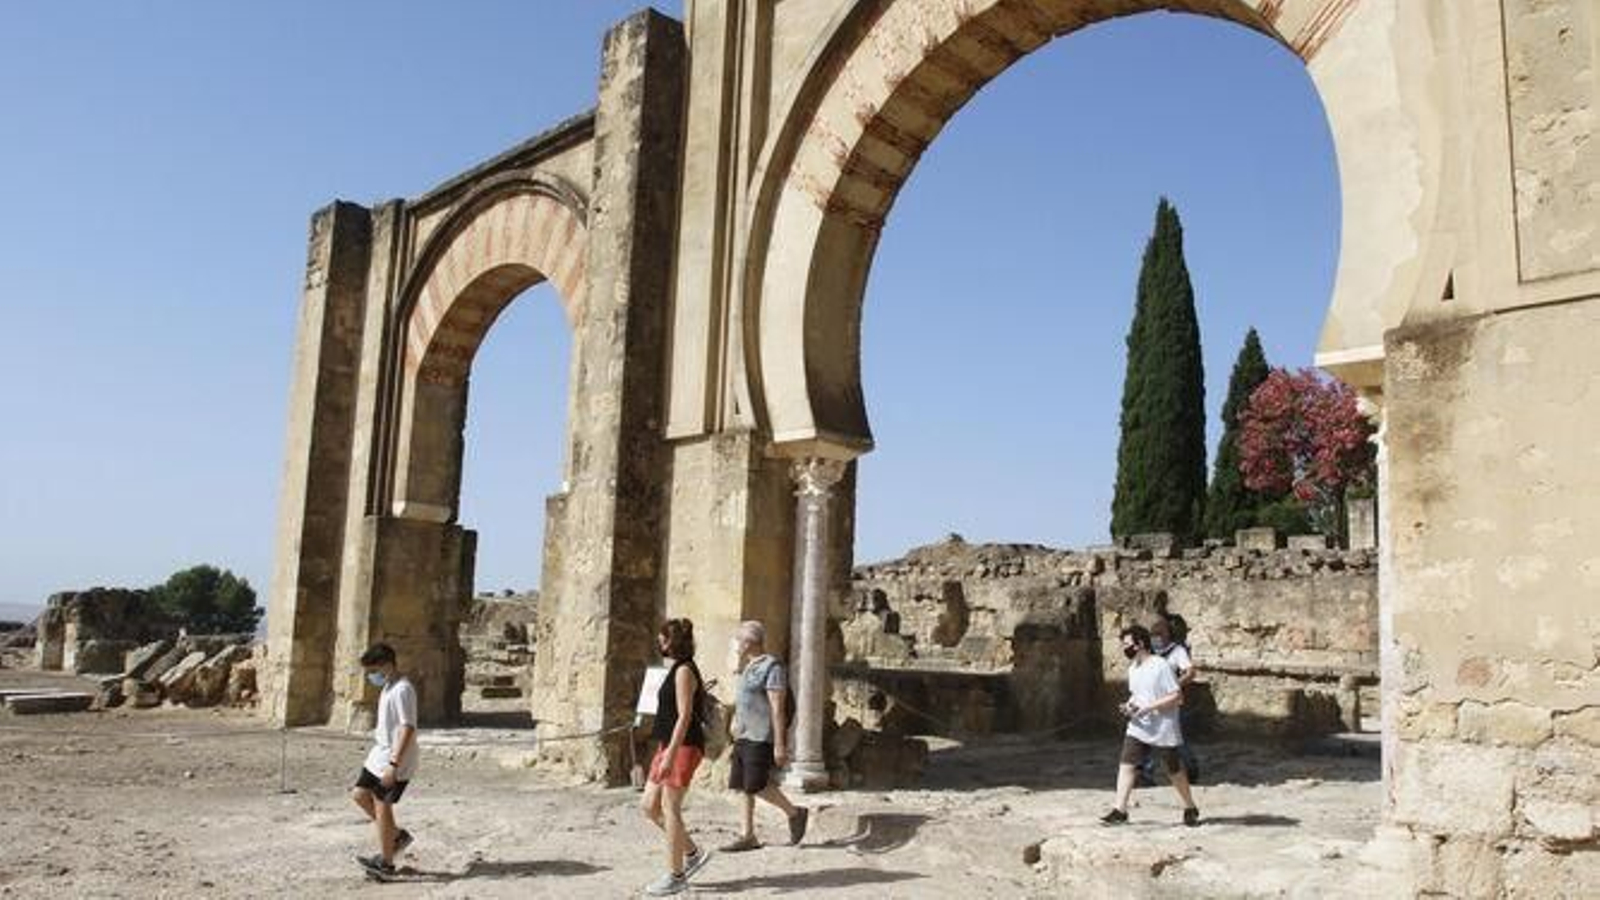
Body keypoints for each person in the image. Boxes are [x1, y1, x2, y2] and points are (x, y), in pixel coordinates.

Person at [720, 621, 809, 852]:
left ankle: (794, 813)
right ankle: (747, 835)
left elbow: (777, 708)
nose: (737, 644)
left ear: (749, 642)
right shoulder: (748, 666)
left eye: (739, 640)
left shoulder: (773, 667)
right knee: (743, 786)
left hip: (761, 736)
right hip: (744, 734)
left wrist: (780, 744)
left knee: (756, 784)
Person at [640, 618, 713, 896]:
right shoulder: (676, 669)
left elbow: (685, 716)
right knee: (649, 806)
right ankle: (693, 853)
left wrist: (670, 754)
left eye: (664, 638)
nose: (660, 642)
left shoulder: (684, 671)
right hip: (668, 745)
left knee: (671, 809)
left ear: (673, 641)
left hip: (682, 747)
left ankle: (676, 874)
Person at [1101, 625, 1200, 827]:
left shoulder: (1160, 666)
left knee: (1173, 769)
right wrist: (1129, 705)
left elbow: (1176, 696)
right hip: (1139, 725)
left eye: (1128, 644)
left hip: (1163, 726)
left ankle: (1190, 806)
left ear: (1140, 644)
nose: (1124, 649)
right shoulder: (1133, 669)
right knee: (1127, 763)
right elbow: (1138, 694)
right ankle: (1120, 809)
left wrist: (1148, 708)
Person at [351, 643, 418, 878]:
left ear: (386, 665)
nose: (371, 676)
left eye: (373, 670)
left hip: (393, 758)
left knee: (382, 804)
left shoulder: (403, 689)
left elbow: (407, 727)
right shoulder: (388, 686)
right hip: (378, 754)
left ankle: (386, 864)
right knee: (360, 795)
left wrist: (394, 765)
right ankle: (396, 837)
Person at [1141, 613, 1201, 785]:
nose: (1156, 637)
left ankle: (1190, 769)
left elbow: (1190, 672)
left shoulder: (1177, 651)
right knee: (1146, 737)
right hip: (1151, 702)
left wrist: (1174, 684)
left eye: (1159, 633)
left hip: (1172, 702)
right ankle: (1145, 774)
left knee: (1175, 739)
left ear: (1168, 633)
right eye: (1153, 634)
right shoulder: (1148, 652)